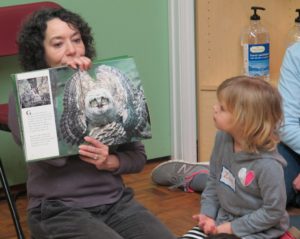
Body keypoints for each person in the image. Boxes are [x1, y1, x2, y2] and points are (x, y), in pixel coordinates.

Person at [8, 7, 176, 239]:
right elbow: (54, 158)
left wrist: (111, 161)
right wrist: (67, 84)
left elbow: (138, 158)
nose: (71, 50)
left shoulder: (108, 83)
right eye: (58, 44)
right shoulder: (29, 93)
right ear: (40, 52)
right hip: (57, 211)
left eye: (76, 40)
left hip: (116, 204)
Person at [179, 76, 289, 238]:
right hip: (223, 218)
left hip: (259, 228)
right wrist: (208, 215)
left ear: (246, 120)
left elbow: (273, 212)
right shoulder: (222, 138)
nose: (214, 108)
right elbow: (214, 180)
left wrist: (231, 228)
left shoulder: (268, 165)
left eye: (222, 108)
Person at [277, 42, 300, 208]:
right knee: (269, 190)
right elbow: (285, 125)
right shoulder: (295, 54)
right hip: (296, 145)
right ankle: (197, 175)